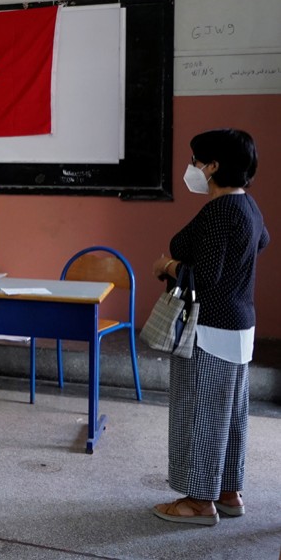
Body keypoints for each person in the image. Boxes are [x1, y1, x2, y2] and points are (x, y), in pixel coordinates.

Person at [150, 128, 269, 526]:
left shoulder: (219, 211)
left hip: (210, 328)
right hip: (241, 326)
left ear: (214, 166)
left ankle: (199, 502)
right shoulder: (249, 207)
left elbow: (206, 278)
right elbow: (261, 242)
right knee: (230, 415)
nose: (192, 168)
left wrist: (167, 267)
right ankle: (228, 491)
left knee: (199, 415)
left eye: (196, 161)